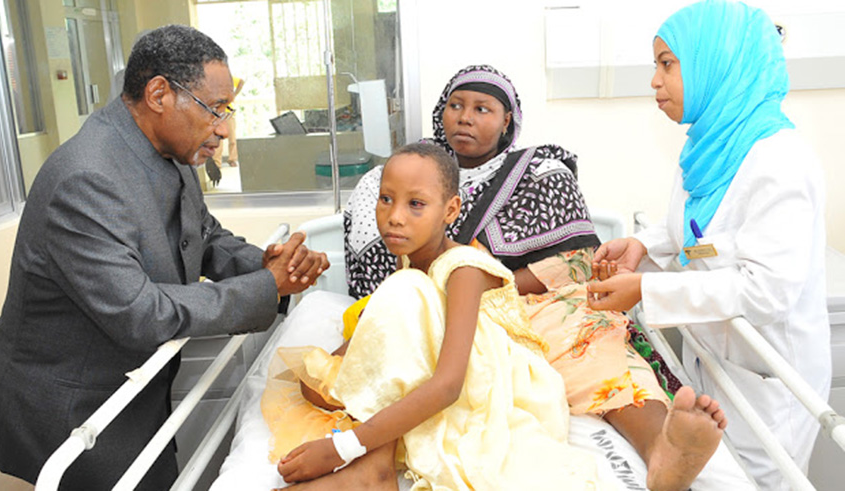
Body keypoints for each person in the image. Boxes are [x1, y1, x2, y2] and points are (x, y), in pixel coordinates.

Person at [0, 25, 328, 490]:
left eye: (227, 110)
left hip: (129, 389)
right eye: (214, 109)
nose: (223, 128)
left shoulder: (168, 150)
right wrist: (267, 286)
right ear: (159, 93)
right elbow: (141, 314)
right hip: (72, 407)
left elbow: (203, 237)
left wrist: (268, 263)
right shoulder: (86, 179)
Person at [345, 64, 728, 489]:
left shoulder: (543, 173)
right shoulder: (404, 174)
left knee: (594, 338)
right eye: (455, 105)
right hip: (440, 307)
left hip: (526, 303)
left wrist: (496, 283)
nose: (465, 117)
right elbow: (378, 278)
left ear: (507, 120)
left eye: (482, 108)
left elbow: (577, 262)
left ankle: (663, 448)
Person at [588, 1, 831, 488]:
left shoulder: (777, 160)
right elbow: (698, 237)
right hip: (716, 366)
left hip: (768, 383)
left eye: (667, 65)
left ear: (712, 64)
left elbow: (767, 291)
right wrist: (643, 246)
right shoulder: (706, 147)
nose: (655, 81)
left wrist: (647, 293)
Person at [270, 143, 606, 489]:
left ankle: (374, 467)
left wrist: (341, 448)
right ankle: (373, 462)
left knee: (402, 293)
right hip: (449, 360)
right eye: (386, 198)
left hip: (498, 381)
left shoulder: (464, 269)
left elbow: (447, 385)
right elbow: (400, 331)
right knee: (316, 385)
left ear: (451, 210)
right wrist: (342, 366)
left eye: (415, 204)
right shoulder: (410, 257)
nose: (395, 216)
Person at [212, 76, 244, 169]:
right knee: (218, 138)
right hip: (217, 111)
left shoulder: (227, 76)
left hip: (229, 111)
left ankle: (233, 159)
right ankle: (217, 163)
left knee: (232, 137)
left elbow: (241, 82)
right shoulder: (211, 79)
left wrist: (234, 95)